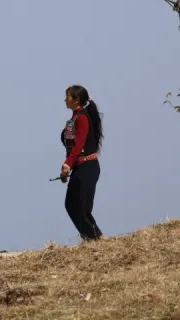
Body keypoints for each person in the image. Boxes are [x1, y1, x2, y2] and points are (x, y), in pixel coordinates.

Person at [60, 85, 104, 242]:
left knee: (83, 207)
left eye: (67, 97)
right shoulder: (73, 119)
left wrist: (68, 164)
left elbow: (79, 144)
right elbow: (71, 146)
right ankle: (89, 237)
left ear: (76, 99)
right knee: (71, 204)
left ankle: (97, 238)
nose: (65, 100)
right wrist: (67, 167)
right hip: (78, 168)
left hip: (88, 167)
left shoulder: (82, 118)